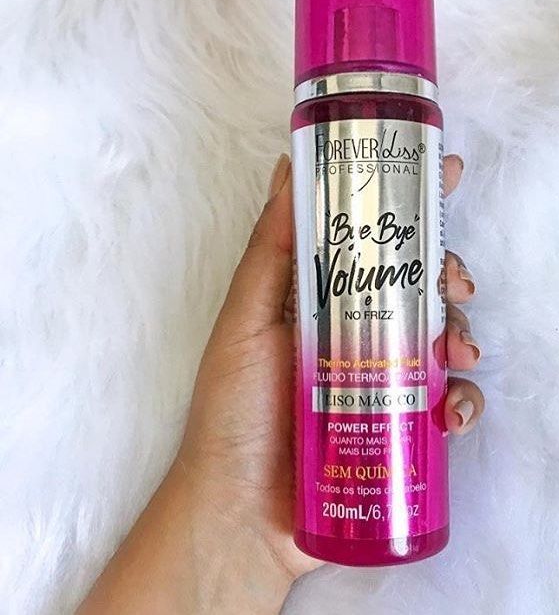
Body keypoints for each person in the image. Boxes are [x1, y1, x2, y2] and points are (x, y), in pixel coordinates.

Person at [78, 153, 484, 614]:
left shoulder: (416, 133)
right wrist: (230, 513)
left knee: (417, 287)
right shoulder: (321, 134)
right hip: (283, 489)